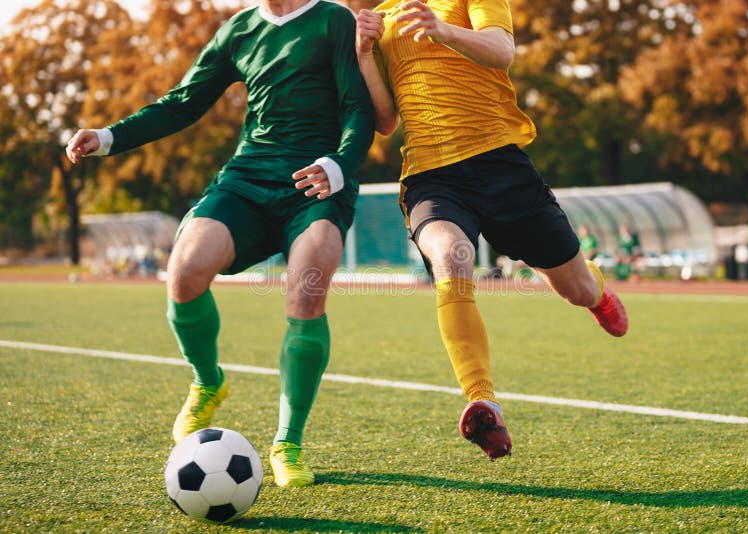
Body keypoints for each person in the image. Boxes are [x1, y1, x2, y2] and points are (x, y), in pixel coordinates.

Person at [66, 0, 374, 487]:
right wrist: (107, 137)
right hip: (247, 178)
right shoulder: (239, 30)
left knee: (308, 283)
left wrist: (339, 166)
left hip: (316, 183)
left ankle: (287, 444)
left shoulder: (333, 19)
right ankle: (208, 381)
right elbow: (184, 102)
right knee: (185, 270)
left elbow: (360, 108)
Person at [355, 0, 627, 461]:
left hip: (500, 164)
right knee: (451, 256)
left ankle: (596, 290)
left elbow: (502, 50)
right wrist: (364, 53)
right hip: (431, 177)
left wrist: (444, 30)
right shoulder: (379, 20)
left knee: (575, 289)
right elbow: (385, 122)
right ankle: (481, 399)